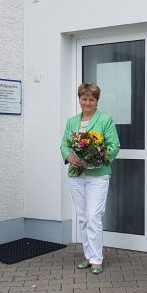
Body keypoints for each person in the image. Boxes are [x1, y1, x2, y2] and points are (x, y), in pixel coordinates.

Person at [60, 83, 120, 274]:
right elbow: (64, 145)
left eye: (91, 99)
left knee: (94, 216)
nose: (87, 102)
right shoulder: (71, 122)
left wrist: (94, 157)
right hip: (76, 176)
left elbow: (114, 146)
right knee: (84, 218)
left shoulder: (105, 120)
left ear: (97, 101)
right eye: (84, 99)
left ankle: (96, 259)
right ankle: (88, 256)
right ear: (79, 99)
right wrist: (70, 157)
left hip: (98, 175)